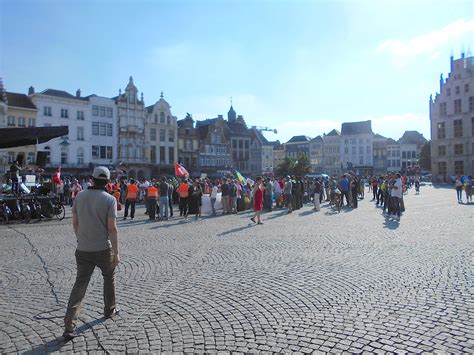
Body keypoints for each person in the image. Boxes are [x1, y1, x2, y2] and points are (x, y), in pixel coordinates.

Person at [63, 166, 119, 340]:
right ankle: (109, 309)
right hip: (103, 248)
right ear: (108, 182)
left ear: (92, 179)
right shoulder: (110, 199)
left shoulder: (79, 196)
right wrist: (116, 252)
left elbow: (75, 222)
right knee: (108, 277)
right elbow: (112, 228)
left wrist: (80, 238)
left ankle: (69, 326)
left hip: (83, 249)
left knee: (80, 284)